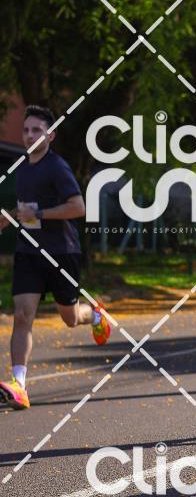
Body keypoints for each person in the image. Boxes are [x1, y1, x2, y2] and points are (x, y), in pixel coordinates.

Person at [0, 106, 109, 410]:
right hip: (28, 251)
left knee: (70, 318)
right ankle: (19, 385)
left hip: (61, 251)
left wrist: (40, 214)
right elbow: (27, 207)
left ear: (50, 135)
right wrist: (10, 216)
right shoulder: (23, 168)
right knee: (22, 315)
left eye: (36, 130)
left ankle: (95, 315)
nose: (29, 135)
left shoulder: (57, 167)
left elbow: (78, 207)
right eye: (26, 130)